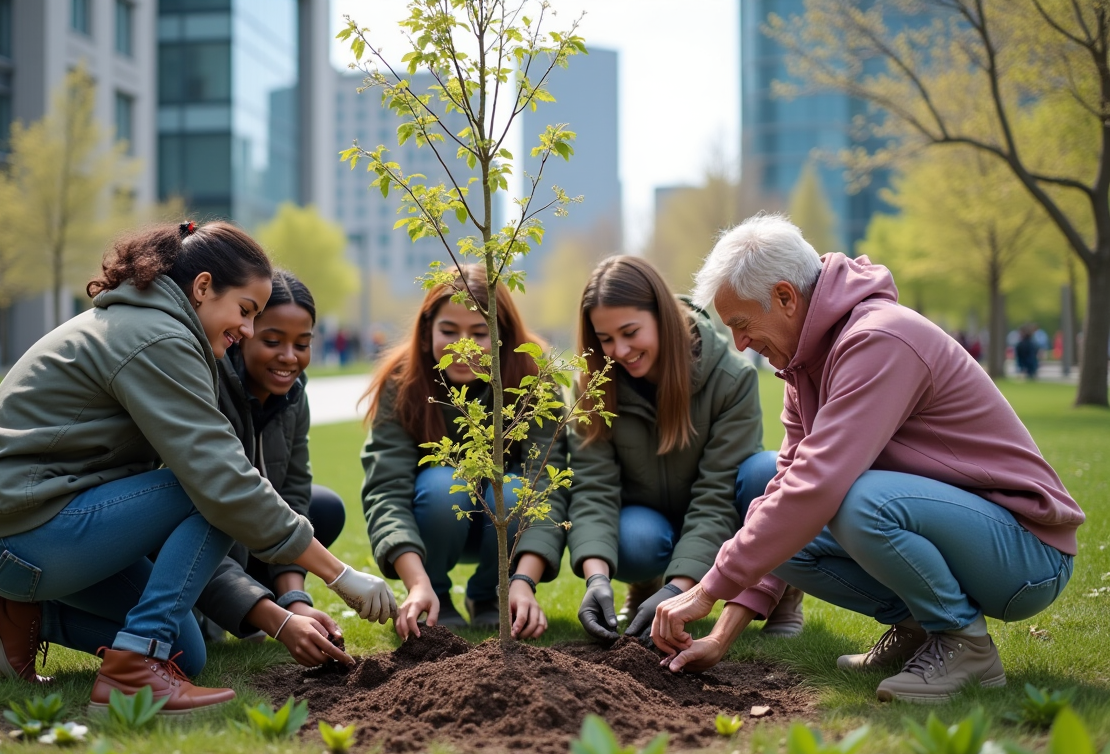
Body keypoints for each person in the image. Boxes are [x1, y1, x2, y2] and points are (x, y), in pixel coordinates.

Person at [0, 222, 396, 713]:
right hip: (19, 533)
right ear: (202, 287)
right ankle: (132, 669)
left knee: (185, 650)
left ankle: (22, 614)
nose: (248, 330)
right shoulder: (156, 337)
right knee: (208, 489)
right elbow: (220, 480)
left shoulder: (154, 324)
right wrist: (340, 576)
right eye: (246, 311)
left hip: (31, 532)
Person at [653, 214, 1084, 702]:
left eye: (742, 324)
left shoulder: (879, 339)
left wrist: (707, 590)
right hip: (970, 539)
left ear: (786, 297)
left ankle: (965, 645)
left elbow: (819, 483)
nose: (740, 343)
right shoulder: (802, 367)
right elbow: (787, 491)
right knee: (778, 530)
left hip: (1027, 556)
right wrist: (721, 631)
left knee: (857, 500)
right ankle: (919, 631)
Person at [565, 255, 803, 644]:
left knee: (764, 472)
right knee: (633, 541)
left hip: (720, 519)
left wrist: (678, 592)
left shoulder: (730, 378)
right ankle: (645, 585)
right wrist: (596, 578)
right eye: (605, 340)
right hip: (649, 518)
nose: (620, 351)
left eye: (630, 332)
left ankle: (785, 590)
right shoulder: (592, 388)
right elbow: (594, 488)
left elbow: (717, 495)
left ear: (661, 316)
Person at [360, 264, 566, 639]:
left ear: (501, 335)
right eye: (449, 331)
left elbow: (548, 487)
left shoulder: (535, 377)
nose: (463, 348)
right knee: (444, 483)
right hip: (435, 519)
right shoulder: (401, 381)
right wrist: (416, 581)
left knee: (518, 489)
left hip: (503, 526)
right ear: (426, 333)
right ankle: (434, 593)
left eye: (478, 332)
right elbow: (385, 490)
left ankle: (491, 594)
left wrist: (523, 580)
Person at [193, 270, 352, 667]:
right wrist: (278, 621)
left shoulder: (295, 396)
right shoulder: (207, 387)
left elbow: (294, 499)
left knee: (323, 507)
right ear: (243, 332)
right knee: (190, 650)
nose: (289, 357)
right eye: (272, 341)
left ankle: (253, 603)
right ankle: (221, 610)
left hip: (255, 538)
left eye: (302, 344)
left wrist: (294, 601)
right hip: (203, 535)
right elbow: (210, 510)